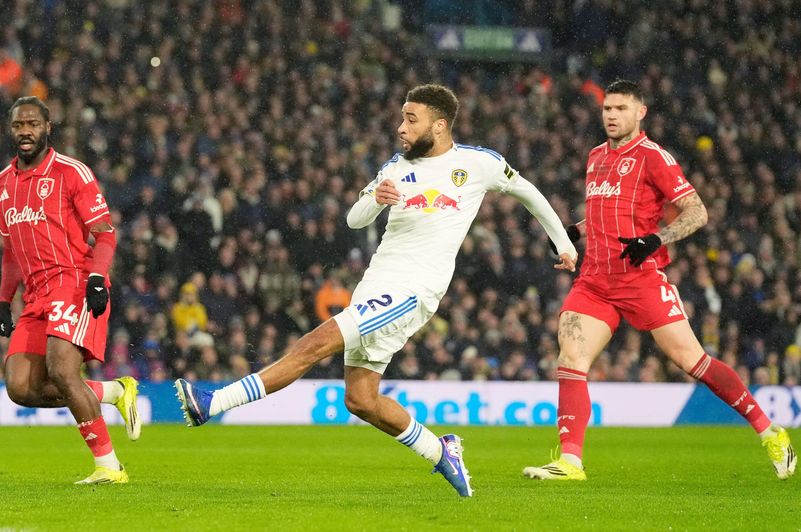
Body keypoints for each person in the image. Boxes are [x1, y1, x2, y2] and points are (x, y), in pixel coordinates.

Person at [175, 84, 578, 497]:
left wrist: (562, 243)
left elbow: (528, 192)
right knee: (360, 398)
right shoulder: (395, 167)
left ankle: (213, 403)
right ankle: (441, 452)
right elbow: (355, 218)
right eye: (402, 117)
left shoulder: (478, 164)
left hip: (413, 291)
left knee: (313, 344)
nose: (400, 127)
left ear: (439, 126)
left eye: (410, 118)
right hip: (376, 286)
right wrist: (378, 200)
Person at [523, 80, 796, 481]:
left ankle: (769, 431)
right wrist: (574, 233)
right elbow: (609, 212)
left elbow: (697, 211)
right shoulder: (596, 156)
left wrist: (656, 238)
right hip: (595, 280)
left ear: (640, 113)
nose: (612, 116)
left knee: (693, 361)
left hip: (640, 279)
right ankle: (571, 462)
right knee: (570, 360)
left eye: (620, 109)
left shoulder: (655, 158)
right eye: (607, 109)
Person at [0, 96, 141, 485]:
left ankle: (109, 468)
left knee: (60, 368)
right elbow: (10, 251)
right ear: (11, 131)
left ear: (47, 128)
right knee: (20, 388)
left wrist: (96, 278)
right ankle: (112, 392)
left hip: (74, 280)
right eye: (18, 125)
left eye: (32, 125)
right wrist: (4, 302)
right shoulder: (0, 186)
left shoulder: (72, 172)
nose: (25, 131)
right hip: (35, 294)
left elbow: (105, 233)